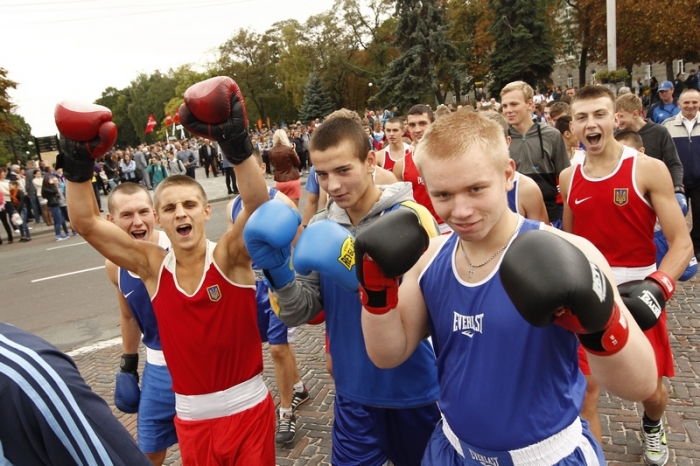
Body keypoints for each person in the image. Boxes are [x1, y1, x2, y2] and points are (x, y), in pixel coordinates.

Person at [358, 110, 657, 465]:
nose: (461, 209)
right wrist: (376, 293)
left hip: (547, 457)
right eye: (443, 194)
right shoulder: (430, 258)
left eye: (475, 188)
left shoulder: (569, 252)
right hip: (451, 450)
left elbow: (639, 385)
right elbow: (388, 355)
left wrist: (600, 322)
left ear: (508, 174)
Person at [61, 77, 275, 465]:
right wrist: (78, 165)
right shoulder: (152, 266)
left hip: (249, 412)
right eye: (171, 208)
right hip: (192, 420)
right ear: (159, 218)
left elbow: (259, 207)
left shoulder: (228, 257)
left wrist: (236, 144)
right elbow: (87, 223)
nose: (181, 213)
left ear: (206, 211)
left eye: (190, 204)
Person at [245, 115, 441, 466]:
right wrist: (276, 270)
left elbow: (433, 309)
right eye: (322, 174)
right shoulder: (321, 226)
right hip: (353, 392)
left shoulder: (412, 217)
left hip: (413, 390)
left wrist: (362, 276)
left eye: (342, 170)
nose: (332, 185)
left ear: (370, 162)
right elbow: (299, 311)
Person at [560, 85, 693, 465]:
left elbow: (682, 244)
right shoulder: (569, 178)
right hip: (590, 295)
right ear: (573, 126)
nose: (591, 124)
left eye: (599, 114)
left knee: (649, 391)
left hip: (640, 292)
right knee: (586, 391)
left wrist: (658, 287)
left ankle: (653, 425)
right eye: (582, 117)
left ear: (614, 118)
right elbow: (571, 243)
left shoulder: (647, 168)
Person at [228, 150, 310, 446]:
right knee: (274, 347)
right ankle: (297, 385)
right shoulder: (233, 206)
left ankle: (286, 411)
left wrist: (298, 285)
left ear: (261, 168)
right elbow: (234, 252)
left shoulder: (282, 202)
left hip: (278, 285)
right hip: (252, 288)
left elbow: (301, 245)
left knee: (277, 349)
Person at [0, 322, 152, 465]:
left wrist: (129, 366)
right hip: (157, 373)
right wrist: (128, 366)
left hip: (164, 370)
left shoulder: (29, 376)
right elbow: (128, 316)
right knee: (151, 444)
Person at [103, 182, 177, 465]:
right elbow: (129, 315)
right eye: (127, 215)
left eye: (144, 212)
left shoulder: (178, 248)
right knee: (147, 451)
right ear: (111, 221)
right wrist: (128, 363)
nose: (138, 221)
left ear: (155, 214)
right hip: (157, 369)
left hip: (196, 364)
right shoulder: (114, 264)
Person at [501, 80, 570, 225]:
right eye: (505, 106)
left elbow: (566, 177)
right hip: (513, 216)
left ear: (530, 104)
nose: (508, 110)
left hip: (550, 214)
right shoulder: (499, 138)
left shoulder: (552, 135)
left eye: (514, 104)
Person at [393, 105, 450, 232]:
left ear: (433, 125)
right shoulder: (401, 165)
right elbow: (398, 205)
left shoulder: (450, 158)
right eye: (412, 125)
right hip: (419, 230)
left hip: (448, 226)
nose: (417, 129)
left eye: (422, 123)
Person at [616, 93, 684, 192]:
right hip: (626, 190)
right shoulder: (615, 135)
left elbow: (673, 163)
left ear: (635, 114)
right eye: (616, 116)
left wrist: (677, 187)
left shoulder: (660, 132)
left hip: (655, 189)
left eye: (621, 116)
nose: (618, 120)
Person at [662, 89, 700, 259]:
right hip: (675, 180)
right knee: (675, 216)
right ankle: (676, 247)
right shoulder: (668, 126)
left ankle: (696, 248)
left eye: (694, 102)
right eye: (686, 102)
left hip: (699, 179)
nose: (690, 106)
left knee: (699, 216)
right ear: (679, 104)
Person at [269, 128, 301, 206]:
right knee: (294, 209)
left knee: (283, 208)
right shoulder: (289, 149)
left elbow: (274, 165)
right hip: (292, 180)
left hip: (280, 182)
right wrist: (294, 151)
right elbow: (297, 163)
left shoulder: (271, 151)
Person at [42, 176, 70, 241]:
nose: (51, 181)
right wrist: (52, 184)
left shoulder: (47, 188)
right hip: (53, 205)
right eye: (50, 180)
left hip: (54, 204)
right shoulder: (46, 189)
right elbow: (55, 191)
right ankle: (58, 235)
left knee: (56, 220)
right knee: (59, 221)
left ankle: (58, 234)